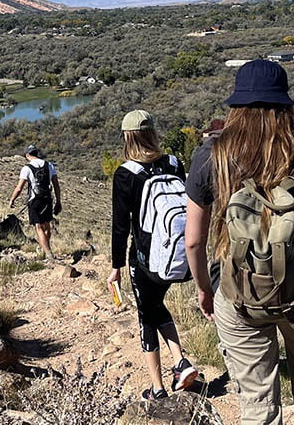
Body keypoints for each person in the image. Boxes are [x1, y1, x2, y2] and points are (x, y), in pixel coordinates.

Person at [184, 60, 294, 425]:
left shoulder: (210, 156)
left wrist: (204, 288)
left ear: (236, 107)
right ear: (285, 105)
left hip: (236, 293)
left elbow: (194, 242)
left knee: (257, 402)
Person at [106, 110, 200, 401]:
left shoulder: (126, 173)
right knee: (156, 305)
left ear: (127, 136)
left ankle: (158, 388)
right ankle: (179, 362)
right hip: (175, 253)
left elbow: (121, 225)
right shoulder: (173, 162)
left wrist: (116, 266)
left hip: (145, 258)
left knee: (147, 314)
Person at [7, 145, 62, 260]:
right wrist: (58, 201)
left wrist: (12, 200)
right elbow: (56, 185)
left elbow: (19, 188)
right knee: (47, 225)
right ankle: (45, 248)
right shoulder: (49, 165)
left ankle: (48, 253)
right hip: (47, 199)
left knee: (38, 227)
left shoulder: (26, 168)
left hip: (34, 200)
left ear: (27, 155)